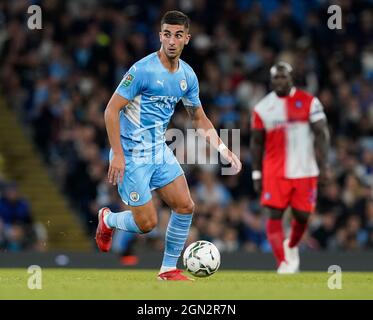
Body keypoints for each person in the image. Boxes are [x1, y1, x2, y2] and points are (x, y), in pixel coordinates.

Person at [95, 11, 241, 280]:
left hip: (159, 149)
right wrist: (117, 153)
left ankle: (168, 269)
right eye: (166, 34)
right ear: (160, 36)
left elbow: (199, 118)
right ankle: (108, 220)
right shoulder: (142, 70)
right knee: (147, 224)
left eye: (177, 35)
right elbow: (110, 111)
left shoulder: (188, 76)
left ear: (187, 38)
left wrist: (225, 150)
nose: (171, 41)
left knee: (185, 205)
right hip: (131, 153)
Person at [250, 62, 330, 274]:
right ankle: (283, 262)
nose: (279, 81)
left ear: (291, 78)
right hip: (275, 171)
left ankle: (291, 245)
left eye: (283, 77)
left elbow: (322, 134)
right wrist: (256, 173)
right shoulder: (262, 108)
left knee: (303, 216)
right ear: (270, 80)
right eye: (275, 78)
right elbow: (256, 143)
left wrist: (325, 165)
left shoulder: (309, 102)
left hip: (305, 170)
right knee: (274, 214)